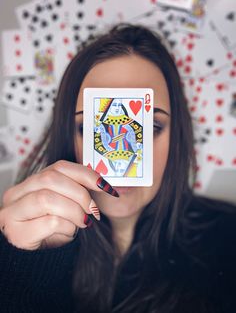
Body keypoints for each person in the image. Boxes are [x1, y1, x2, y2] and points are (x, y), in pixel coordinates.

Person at [0, 24, 236, 313]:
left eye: (150, 127)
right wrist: (24, 268)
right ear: (68, 135)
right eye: (92, 127)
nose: (122, 157)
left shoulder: (229, 241)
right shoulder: (19, 244)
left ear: (177, 136)